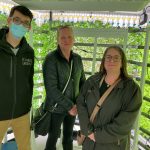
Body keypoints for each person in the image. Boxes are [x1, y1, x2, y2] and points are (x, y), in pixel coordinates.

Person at [77, 45, 142, 150]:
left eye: (116, 57)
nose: (112, 60)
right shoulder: (92, 81)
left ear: (122, 63)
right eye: (108, 57)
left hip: (113, 146)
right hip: (89, 144)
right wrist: (87, 130)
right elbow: (80, 102)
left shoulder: (132, 89)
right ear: (104, 61)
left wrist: (96, 136)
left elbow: (125, 123)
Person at [43, 25, 86, 150]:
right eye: (62, 37)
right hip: (56, 108)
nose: (66, 40)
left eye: (69, 37)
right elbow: (51, 89)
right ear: (57, 39)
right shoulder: (51, 59)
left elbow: (82, 82)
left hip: (73, 107)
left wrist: (79, 103)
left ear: (73, 39)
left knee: (68, 138)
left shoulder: (77, 59)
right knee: (52, 139)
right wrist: (69, 106)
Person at [0, 5, 34, 150]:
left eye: (26, 22)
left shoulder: (29, 52)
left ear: (29, 28)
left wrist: (27, 106)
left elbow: (29, 81)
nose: (21, 25)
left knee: (25, 147)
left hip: (22, 112)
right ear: (9, 21)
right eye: (17, 20)